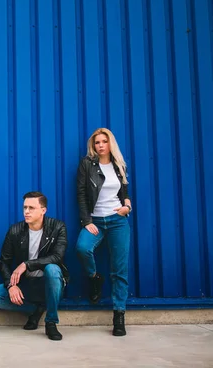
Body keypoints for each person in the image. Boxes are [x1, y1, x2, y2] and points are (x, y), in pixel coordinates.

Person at [0, 192, 69, 341]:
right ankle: (37, 309)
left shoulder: (58, 227)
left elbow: (57, 257)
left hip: (50, 284)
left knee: (52, 269)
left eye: (31, 208)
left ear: (43, 210)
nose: (26, 211)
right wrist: (10, 285)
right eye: (25, 207)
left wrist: (27, 264)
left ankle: (51, 322)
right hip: (27, 284)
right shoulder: (15, 230)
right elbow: (3, 262)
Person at [75, 128, 132, 336]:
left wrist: (127, 206)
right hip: (96, 221)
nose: (100, 145)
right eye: (97, 142)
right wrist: (86, 220)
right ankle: (94, 278)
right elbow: (81, 193)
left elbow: (124, 190)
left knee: (119, 270)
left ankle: (119, 316)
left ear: (110, 144)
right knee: (82, 248)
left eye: (104, 142)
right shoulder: (87, 164)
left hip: (118, 220)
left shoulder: (118, 164)